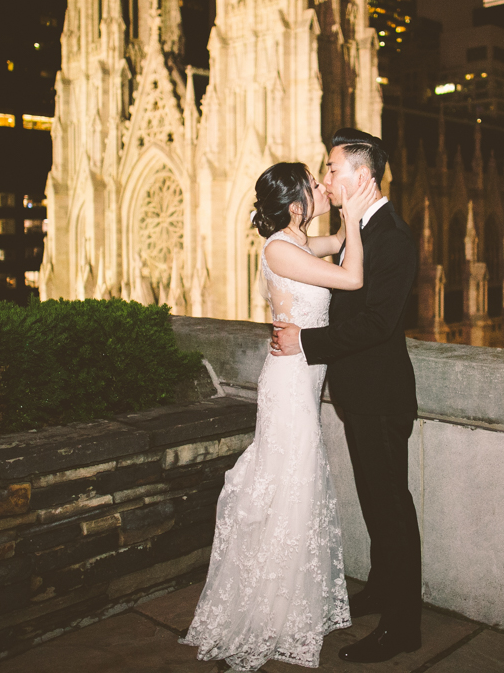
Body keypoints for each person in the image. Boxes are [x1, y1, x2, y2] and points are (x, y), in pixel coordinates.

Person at [179, 160, 380, 670]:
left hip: (300, 378)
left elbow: (334, 244)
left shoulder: (294, 243)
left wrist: (350, 207)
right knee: (291, 483)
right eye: (315, 185)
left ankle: (288, 602)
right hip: (290, 384)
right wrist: (353, 217)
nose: (321, 186)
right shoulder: (278, 249)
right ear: (295, 206)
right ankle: (272, 610)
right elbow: (352, 276)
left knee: (296, 483)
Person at [270, 127, 423, 664]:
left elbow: (379, 323)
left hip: (381, 396)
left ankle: (404, 626)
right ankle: (383, 589)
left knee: (392, 508)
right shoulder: (360, 228)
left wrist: (305, 343)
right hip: (359, 395)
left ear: (362, 176)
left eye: (332, 170)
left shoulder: (394, 236)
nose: (327, 178)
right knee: (375, 503)